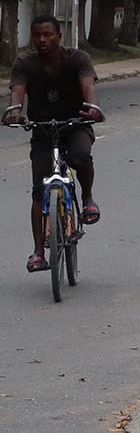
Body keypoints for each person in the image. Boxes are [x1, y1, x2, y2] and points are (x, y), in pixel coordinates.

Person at [4, 15, 106, 273]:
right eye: (37, 35)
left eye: (48, 34)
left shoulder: (77, 59)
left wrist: (92, 108)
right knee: (39, 190)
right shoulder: (24, 63)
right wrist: (14, 111)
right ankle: (38, 252)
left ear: (59, 35)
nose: (42, 40)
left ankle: (88, 197)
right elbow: (17, 91)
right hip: (43, 130)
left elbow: (88, 86)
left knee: (80, 156)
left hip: (75, 124)